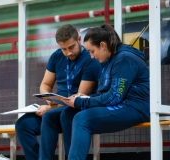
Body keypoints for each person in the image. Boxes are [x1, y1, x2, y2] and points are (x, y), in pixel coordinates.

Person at [62, 24, 150, 160]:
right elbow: (104, 93)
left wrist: (82, 101)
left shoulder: (124, 58)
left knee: (82, 119)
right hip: (123, 103)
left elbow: (114, 97)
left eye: (92, 51)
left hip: (136, 106)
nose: (91, 56)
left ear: (103, 45)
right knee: (69, 113)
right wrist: (84, 97)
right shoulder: (107, 60)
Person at [15, 24, 101, 160]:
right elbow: (45, 84)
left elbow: (78, 99)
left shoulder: (90, 60)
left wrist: (50, 107)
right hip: (56, 107)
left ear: (79, 39)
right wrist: (48, 98)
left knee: (53, 116)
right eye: (64, 49)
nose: (68, 53)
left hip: (76, 108)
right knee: (23, 124)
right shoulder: (56, 57)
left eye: (71, 47)